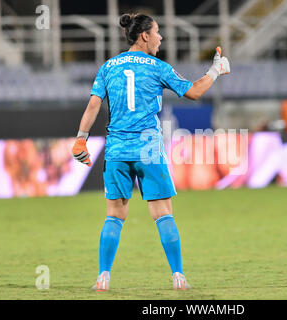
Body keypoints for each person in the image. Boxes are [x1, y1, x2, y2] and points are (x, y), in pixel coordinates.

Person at [71, 13, 230, 291]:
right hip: (147, 147)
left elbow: (94, 106)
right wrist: (215, 71)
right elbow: (193, 93)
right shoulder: (157, 67)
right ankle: (178, 277)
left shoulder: (109, 67)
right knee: (163, 214)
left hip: (117, 149)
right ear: (144, 35)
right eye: (157, 32)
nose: (161, 38)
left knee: (114, 216)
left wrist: (81, 139)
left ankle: (103, 277)